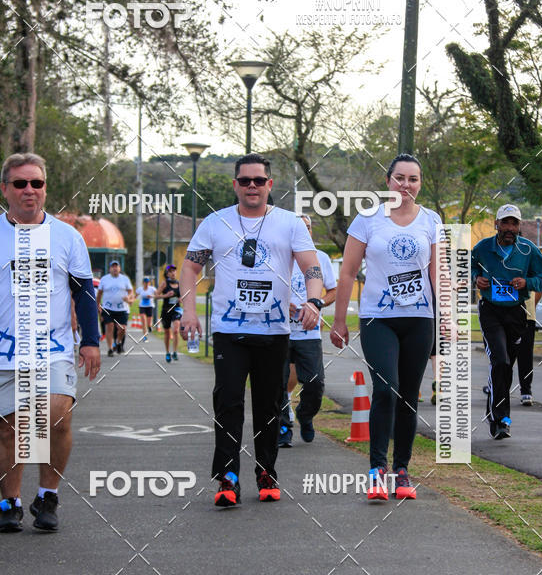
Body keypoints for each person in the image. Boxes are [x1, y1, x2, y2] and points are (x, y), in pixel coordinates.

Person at [0, 152, 100, 532]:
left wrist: (91, 341)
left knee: (56, 415)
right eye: (20, 183)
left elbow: (83, 292)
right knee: (7, 428)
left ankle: (48, 495)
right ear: (5, 189)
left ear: (45, 188)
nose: (29, 190)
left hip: (54, 348)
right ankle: (9, 502)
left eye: (37, 183)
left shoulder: (68, 237)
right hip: (2, 351)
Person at [179, 152, 323, 508]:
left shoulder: (290, 223)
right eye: (245, 181)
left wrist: (314, 302)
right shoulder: (215, 223)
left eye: (259, 180)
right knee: (227, 400)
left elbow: (312, 269)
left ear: (269, 184)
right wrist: (188, 313)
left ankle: (266, 472)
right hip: (229, 330)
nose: (252, 186)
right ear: (235, 185)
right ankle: (227, 477)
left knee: (269, 406)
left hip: (274, 331)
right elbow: (189, 269)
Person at [330, 153, 442, 501]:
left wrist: (447, 319)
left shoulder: (432, 220)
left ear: (420, 184)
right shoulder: (368, 220)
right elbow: (347, 272)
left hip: (420, 319)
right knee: (386, 387)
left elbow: (437, 273)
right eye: (400, 178)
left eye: (413, 179)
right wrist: (338, 320)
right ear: (388, 181)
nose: (406, 185)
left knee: (409, 396)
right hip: (378, 317)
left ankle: (402, 469)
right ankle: (377, 468)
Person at [472, 204, 542, 438]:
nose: (510, 228)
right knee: (500, 360)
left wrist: (527, 284)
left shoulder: (529, 250)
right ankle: (500, 419)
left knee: (505, 367)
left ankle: (496, 416)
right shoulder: (483, 248)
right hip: (491, 310)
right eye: (506, 223)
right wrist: (476, 278)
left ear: (520, 226)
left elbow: (541, 277)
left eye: (514, 223)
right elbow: (467, 267)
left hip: (517, 312)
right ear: (497, 224)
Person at [278, 214, 337, 447]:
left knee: (315, 383)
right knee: (278, 384)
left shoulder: (320, 258)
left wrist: (317, 303)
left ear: (311, 232)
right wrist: (282, 303)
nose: (305, 231)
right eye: (299, 228)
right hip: (279, 332)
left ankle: (305, 414)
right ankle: (283, 426)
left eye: (308, 228)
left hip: (308, 333)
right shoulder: (278, 256)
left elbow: (333, 291)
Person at [96, 260, 133, 356]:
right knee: (109, 327)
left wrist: (128, 298)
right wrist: (98, 305)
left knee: (122, 328)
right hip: (108, 308)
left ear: (119, 268)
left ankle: (117, 342)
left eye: (116, 266)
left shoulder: (125, 279)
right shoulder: (104, 279)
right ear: (109, 269)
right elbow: (99, 293)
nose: (115, 268)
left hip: (122, 308)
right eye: (113, 267)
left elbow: (130, 291)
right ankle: (110, 349)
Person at [516, 290, 542, 406]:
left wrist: (531, 306)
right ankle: (498, 387)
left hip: (527, 313)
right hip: (501, 312)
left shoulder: (533, 271)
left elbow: (539, 287)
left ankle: (526, 390)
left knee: (526, 354)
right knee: (502, 353)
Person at [155, 264, 181, 363]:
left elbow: (184, 296)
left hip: (176, 309)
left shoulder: (179, 283)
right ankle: (167, 352)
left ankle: (175, 352)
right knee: (167, 332)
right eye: (170, 271)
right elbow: (156, 296)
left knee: (175, 330)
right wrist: (166, 295)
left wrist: (181, 299)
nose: (173, 273)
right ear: (167, 273)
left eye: (174, 271)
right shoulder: (164, 284)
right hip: (166, 310)